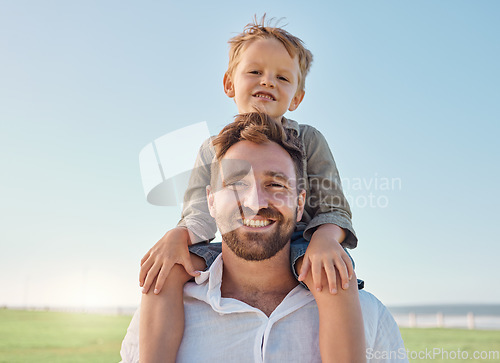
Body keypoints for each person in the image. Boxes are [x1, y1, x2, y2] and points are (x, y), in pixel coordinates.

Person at [139, 16, 363, 362]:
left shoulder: (310, 140)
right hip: (235, 243)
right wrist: (177, 235)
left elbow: (333, 206)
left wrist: (326, 240)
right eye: (255, 72)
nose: (268, 82)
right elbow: (199, 211)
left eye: (282, 77)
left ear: (297, 96)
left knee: (334, 273)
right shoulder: (213, 148)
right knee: (168, 268)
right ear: (229, 83)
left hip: (302, 241)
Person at [121, 113, 408, 362]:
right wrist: (179, 233)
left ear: (300, 204)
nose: (255, 202)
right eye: (236, 184)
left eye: (275, 184)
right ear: (210, 202)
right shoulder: (157, 316)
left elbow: (335, 208)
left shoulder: (368, 316)